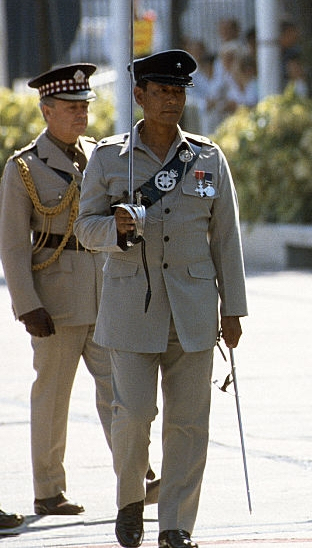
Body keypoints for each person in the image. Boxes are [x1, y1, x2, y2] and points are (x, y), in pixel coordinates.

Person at [74, 49, 247, 548]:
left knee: (189, 423)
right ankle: (130, 500)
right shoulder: (109, 158)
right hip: (130, 309)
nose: (172, 101)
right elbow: (86, 228)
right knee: (132, 417)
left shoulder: (208, 157)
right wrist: (118, 227)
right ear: (140, 96)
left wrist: (232, 308)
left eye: (179, 92)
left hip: (193, 311)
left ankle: (176, 525)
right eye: (162, 92)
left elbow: (227, 238)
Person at [0, 63, 114, 517]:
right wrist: (27, 304)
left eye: (84, 106)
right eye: (70, 108)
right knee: (52, 397)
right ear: (46, 111)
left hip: (104, 293)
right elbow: (11, 244)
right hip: (56, 298)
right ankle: (49, 490)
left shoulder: (102, 156)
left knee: (121, 391)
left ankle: (138, 476)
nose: (81, 115)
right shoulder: (24, 167)